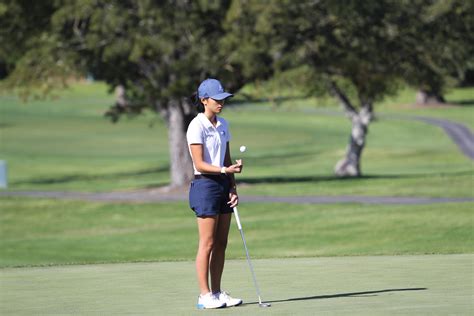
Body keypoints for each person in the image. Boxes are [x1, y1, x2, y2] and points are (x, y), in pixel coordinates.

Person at [186, 78, 244, 309]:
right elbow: (199, 164)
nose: (221, 103)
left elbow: (226, 159)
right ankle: (204, 295)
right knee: (207, 242)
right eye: (217, 99)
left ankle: (218, 292)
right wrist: (223, 170)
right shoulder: (196, 126)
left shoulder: (224, 125)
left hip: (221, 184)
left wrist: (232, 185)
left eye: (223, 99)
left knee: (221, 242)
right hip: (205, 185)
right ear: (204, 100)